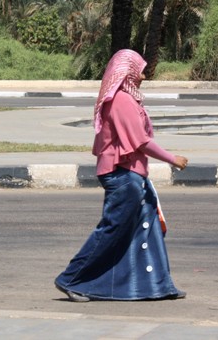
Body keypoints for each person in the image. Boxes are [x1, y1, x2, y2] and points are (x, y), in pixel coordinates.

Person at [54, 49, 188, 302]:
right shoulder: (121, 101)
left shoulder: (127, 99)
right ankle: (70, 279)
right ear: (128, 72)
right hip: (123, 176)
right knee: (112, 230)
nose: (144, 76)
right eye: (140, 70)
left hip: (132, 174)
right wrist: (173, 159)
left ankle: (158, 285)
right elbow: (140, 142)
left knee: (148, 230)